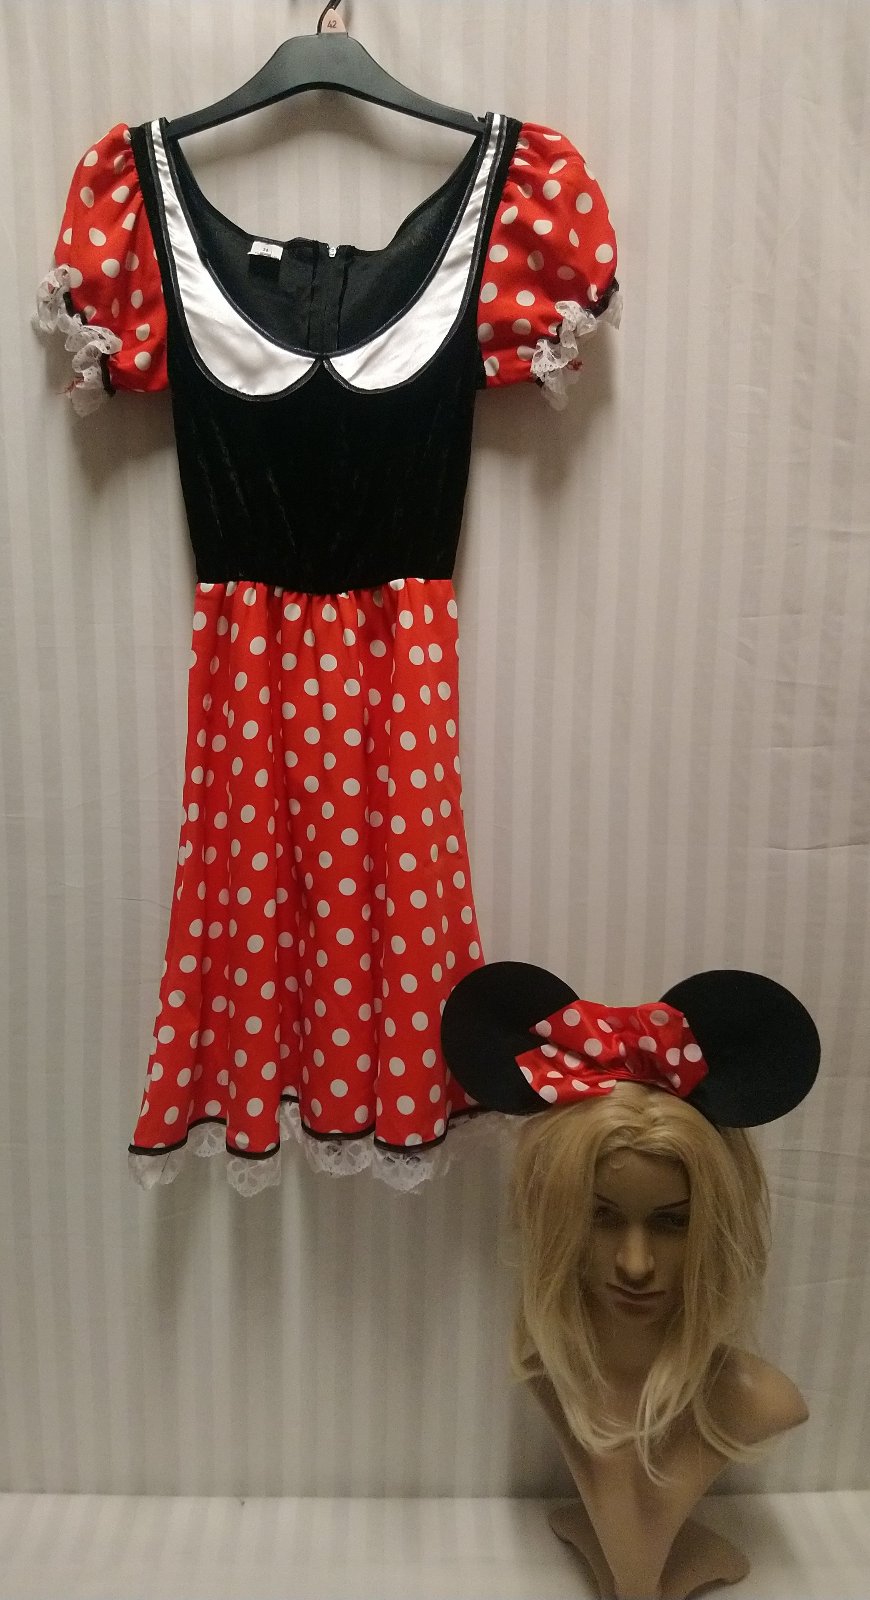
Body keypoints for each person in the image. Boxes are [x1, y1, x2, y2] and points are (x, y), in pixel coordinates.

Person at [441, 961, 820, 1599]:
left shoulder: (757, 1401)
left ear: (716, 1226)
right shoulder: (549, 1371)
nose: (636, 1265)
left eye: (672, 1223)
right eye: (601, 1217)